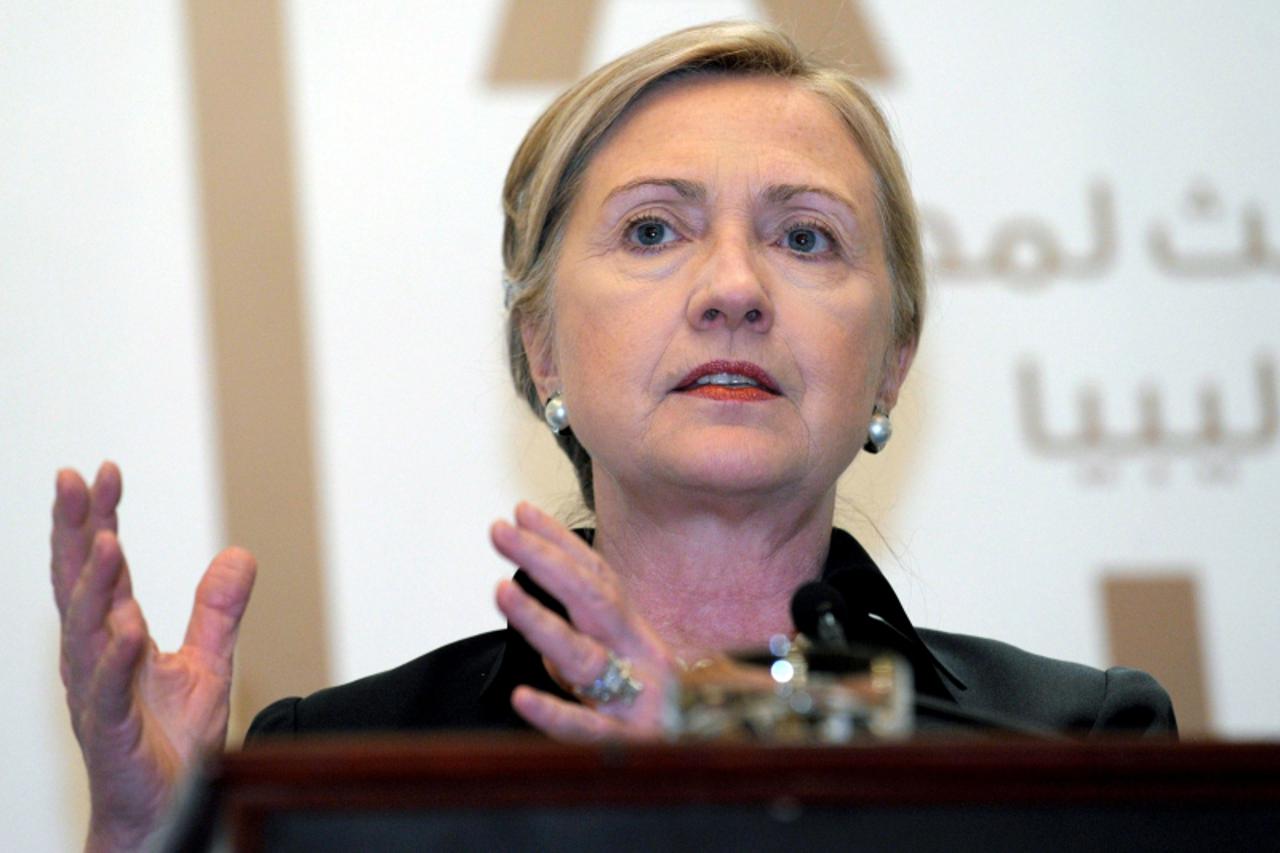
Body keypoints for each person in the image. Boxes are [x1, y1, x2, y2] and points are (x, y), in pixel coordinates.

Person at [50, 21, 1175, 852]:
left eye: (804, 236)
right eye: (651, 228)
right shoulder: (340, 770)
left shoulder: (1070, 751)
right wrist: (148, 841)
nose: (733, 288)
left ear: (891, 362)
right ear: (540, 345)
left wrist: (719, 757)